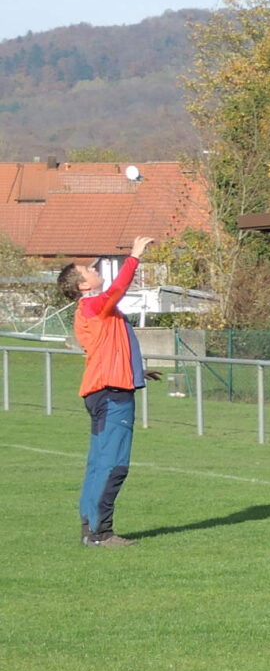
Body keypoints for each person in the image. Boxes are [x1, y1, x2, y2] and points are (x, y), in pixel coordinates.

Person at [59, 234, 151, 546]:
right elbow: (118, 289)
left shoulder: (94, 310)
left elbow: (109, 347)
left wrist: (138, 370)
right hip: (112, 394)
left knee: (99, 462)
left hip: (105, 389)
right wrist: (135, 257)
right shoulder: (94, 304)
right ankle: (101, 533)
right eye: (87, 270)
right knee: (114, 464)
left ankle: (90, 528)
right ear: (82, 285)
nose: (94, 269)